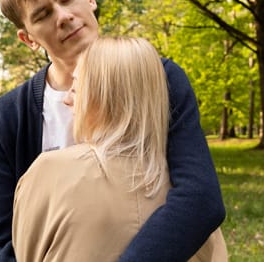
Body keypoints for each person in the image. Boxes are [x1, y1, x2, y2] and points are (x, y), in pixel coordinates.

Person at [0, 0, 226, 262]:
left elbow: (200, 199)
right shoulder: (8, 117)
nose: (63, 16)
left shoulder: (159, 78)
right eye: (42, 15)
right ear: (28, 39)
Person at [12, 36, 228, 261]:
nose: (67, 100)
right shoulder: (196, 211)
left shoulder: (50, 172)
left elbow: (27, 253)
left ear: (103, 97)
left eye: (76, 89)